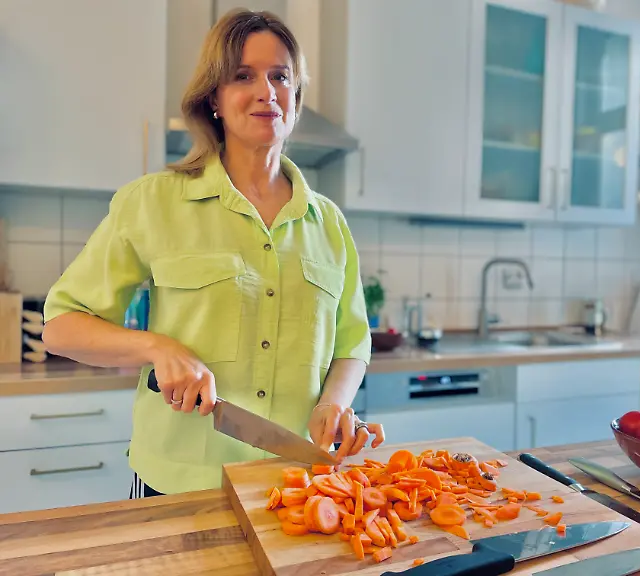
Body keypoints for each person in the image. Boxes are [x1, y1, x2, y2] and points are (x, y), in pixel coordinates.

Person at [41, 9, 384, 498]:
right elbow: (61, 326)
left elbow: (352, 342)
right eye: (243, 76)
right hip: (180, 482)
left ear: (295, 98)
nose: (266, 91)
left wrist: (333, 404)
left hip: (297, 482)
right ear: (214, 100)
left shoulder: (328, 222)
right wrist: (158, 348)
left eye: (280, 76)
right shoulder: (153, 202)